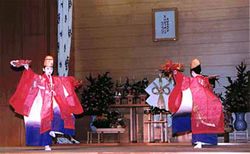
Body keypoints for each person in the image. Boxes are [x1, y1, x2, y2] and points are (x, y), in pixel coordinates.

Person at [9, 56, 83, 150]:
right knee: (42, 123)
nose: (49, 70)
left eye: (51, 69)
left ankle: (54, 130)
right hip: (43, 104)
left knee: (65, 113)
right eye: (47, 68)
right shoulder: (40, 78)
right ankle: (46, 144)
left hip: (53, 102)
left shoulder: (56, 79)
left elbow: (65, 82)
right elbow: (31, 76)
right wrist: (26, 66)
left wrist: (73, 83)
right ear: (43, 69)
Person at [168, 59, 224, 148]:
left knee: (198, 122)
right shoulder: (204, 80)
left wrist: (175, 72)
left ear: (192, 71)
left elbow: (182, 79)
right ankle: (209, 141)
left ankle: (200, 140)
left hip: (198, 105)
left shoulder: (193, 80)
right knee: (207, 121)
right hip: (206, 105)